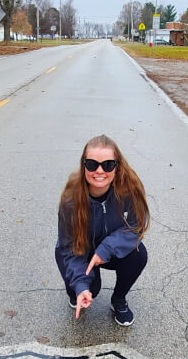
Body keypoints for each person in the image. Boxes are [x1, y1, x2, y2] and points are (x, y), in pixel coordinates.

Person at [55, 134, 149, 326]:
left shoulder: (130, 190)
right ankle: (78, 290)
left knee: (139, 254)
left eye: (107, 165)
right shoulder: (71, 200)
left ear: (117, 166)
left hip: (110, 250)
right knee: (86, 289)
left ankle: (119, 299)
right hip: (80, 249)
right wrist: (81, 287)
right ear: (83, 166)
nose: (99, 171)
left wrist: (106, 248)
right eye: (91, 164)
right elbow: (68, 247)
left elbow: (136, 225)